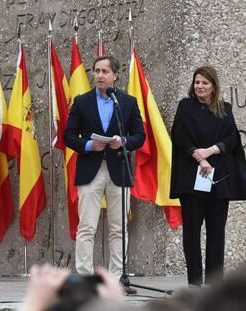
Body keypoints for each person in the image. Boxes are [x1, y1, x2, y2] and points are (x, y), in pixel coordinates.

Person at [64, 56, 146, 295]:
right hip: (91, 169)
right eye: (97, 71)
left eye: (105, 71)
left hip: (119, 169)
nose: (100, 75)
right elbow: (69, 136)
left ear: (115, 76)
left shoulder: (127, 103)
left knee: (118, 228)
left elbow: (139, 136)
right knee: (86, 226)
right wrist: (89, 145)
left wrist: (123, 142)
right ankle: (84, 280)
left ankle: (116, 279)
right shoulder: (82, 102)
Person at [170, 66, 246, 287]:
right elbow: (179, 136)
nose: (200, 86)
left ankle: (214, 285)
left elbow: (232, 138)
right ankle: (195, 284)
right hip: (192, 178)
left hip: (219, 180)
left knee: (216, 232)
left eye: (204, 83)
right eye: (197, 82)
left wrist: (211, 151)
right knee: (191, 232)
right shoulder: (185, 106)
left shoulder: (224, 109)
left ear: (213, 86)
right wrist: (199, 157)